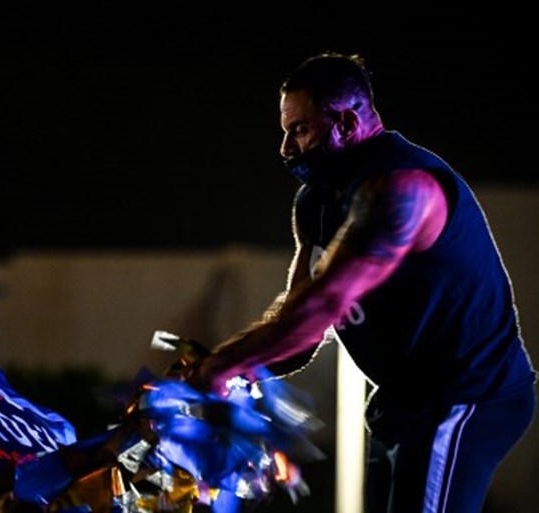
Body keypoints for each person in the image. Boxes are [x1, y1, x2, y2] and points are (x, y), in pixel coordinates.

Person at [194, 52, 537, 512]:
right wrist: (218, 376)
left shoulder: (402, 189)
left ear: (348, 122)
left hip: (467, 395)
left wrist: (222, 365)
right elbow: (301, 326)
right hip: (402, 400)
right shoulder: (314, 203)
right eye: (285, 130)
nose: (286, 149)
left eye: (300, 129)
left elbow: (326, 303)